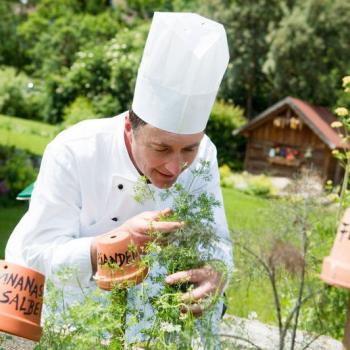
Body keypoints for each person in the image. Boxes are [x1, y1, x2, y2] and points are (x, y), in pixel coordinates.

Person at [6, 11, 233, 344]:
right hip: (76, 326)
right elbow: (37, 254)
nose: (175, 166)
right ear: (130, 126)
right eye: (161, 148)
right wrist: (107, 246)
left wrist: (218, 272)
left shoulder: (206, 155)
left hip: (156, 328)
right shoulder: (74, 150)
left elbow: (217, 241)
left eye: (188, 149)